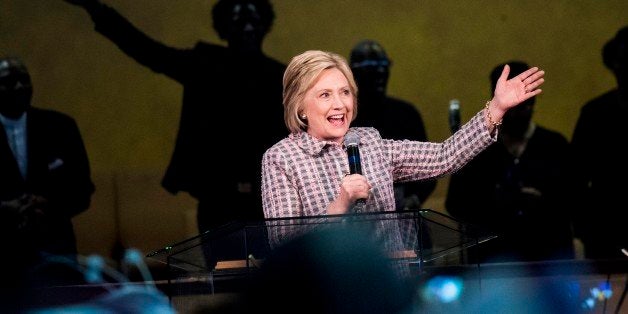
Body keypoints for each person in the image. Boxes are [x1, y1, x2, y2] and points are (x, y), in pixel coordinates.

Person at [261, 50, 544, 248]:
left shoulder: (369, 142)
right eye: (325, 95)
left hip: (387, 288)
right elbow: (286, 245)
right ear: (300, 106)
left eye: (344, 92)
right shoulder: (282, 158)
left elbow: (443, 157)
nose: (339, 104)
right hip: (324, 295)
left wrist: (496, 108)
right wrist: (340, 206)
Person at [65, 0, 287, 234]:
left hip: (266, 198)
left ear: (265, 25)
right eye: (238, 20)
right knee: (224, 268)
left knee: (268, 268)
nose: (247, 28)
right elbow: (148, 51)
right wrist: (98, 11)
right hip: (217, 197)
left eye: (253, 20)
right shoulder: (204, 63)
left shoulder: (281, 77)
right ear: (223, 28)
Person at [445, 61, 575, 263]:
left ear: (533, 102)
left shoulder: (553, 145)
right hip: (494, 260)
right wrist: (500, 202)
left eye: (524, 106)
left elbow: (574, 199)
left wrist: (542, 203)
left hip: (547, 256)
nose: (517, 114)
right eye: (511, 107)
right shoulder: (479, 149)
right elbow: (456, 204)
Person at [0, 57, 95, 307]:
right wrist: (5, 208)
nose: (19, 87)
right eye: (8, 82)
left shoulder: (60, 127)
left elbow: (83, 189)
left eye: (24, 80)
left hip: (55, 246)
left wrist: (48, 205)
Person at [350, 39, 436, 211]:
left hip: (405, 217)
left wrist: (414, 198)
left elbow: (430, 169)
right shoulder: (343, 118)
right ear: (353, 72)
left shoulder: (406, 113)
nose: (381, 71)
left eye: (384, 65)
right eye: (371, 66)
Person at [571, 26, 628, 259]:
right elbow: (575, 179)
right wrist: (588, 230)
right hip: (607, 235)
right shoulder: (595, 114)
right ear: (615, 64)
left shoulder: (596, 112)